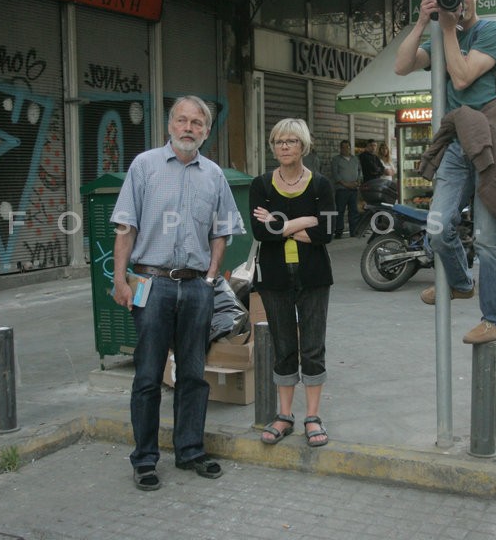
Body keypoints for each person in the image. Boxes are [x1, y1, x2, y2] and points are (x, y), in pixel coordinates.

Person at [111, 95, 244, 491]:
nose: (188, 128)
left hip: (196, 286)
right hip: (150, 284)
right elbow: (125, 227)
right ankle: (145, 459)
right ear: (170, 125)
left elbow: (223, 229)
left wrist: (212, 273)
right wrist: (120, 280)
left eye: (196, 123)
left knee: (192, 374)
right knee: (149, 375)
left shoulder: (214, 175)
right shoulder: (144, 166)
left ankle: (189, 450)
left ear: (205, 131)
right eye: (182, 121)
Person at [395, 0, 496, 346]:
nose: (456, 0)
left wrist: (448, 29)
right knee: (436, 225)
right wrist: (422, 22)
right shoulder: (440, 35)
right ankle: (461, 283)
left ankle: (495, 319)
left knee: (486, 237)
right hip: (456, 142)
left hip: (490, 142)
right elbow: (401, 66)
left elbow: (462, 78)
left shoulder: (492, 32)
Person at [250, 118, 335, 448]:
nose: (284, 147)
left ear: (304, 146)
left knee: (313, 347)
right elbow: (260, 233)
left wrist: (278, 224)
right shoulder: (261, 184)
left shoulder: (320, 185)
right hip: (273, 277)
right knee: (283, 346)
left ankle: (312, 417)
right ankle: (284, 416)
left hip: (314, 276)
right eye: (278, 142)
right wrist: (304, 221)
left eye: (291, 142)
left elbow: (326, 232)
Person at [330, 140, 361, 238]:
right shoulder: (336, 159)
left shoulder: (355, 159)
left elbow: (360, 171)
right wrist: (346, 184)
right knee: (340, 211)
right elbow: (335, 174)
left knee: (354, 211)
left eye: (347, 147)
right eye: (343, 147)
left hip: (354, 190)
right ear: (340, 148)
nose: (345, 149)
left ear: (350, 148)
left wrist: (358, 182)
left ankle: (354, 232)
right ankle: (339, 232)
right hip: (341, 190)